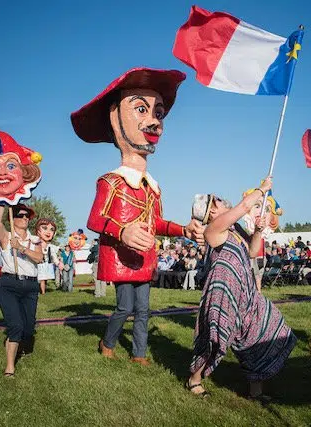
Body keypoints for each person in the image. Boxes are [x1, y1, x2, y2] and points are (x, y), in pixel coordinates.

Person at [71, 67, 204, 366]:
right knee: (124, 307)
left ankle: (139, 353)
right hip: (121, 257)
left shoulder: (152, 187)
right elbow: (95, 220)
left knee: (144, 309)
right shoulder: (111, 181)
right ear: (115, 120)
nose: (154, 121)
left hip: (143, 257)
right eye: (141, 109)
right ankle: (108, 342)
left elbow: (156, 222)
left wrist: (183, 229)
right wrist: (123, 232)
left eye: (158, 113)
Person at [187, 178, 296, 401]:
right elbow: (244, 206)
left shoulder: (235, 228)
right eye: (215, 200)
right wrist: (262, 189)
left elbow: (253, 251)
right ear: (211, 213)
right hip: (222, 294)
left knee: (263, 331)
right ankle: (194, 379)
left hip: (246, 292)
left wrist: (257, 230)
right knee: (215, 338)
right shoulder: (213, 229)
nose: (220, 198)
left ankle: (255, 392)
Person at [0, 204, 43, 377]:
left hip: (30, 286)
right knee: (16, 326)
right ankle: (9, 367)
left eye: (27, 216)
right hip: (10, 284)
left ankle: (20, 345)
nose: (24, 218)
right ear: (12, 219)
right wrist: (1, 200)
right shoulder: (6, 237)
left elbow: (39, 258)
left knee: (28, 328)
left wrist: (21, 247)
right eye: (21, 215)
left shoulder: (35, 239)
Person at [35, 218, 60, 295]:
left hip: (46, 264)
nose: (48, 232)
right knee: (41, 279)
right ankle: (42, 292)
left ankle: (43, 290)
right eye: (45, 228)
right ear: (38, 231)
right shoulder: (35, 243)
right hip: (37, 264)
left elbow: (53, 256)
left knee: (44, 279)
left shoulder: (50, 246)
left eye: (51, 229)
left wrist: (58, 263)